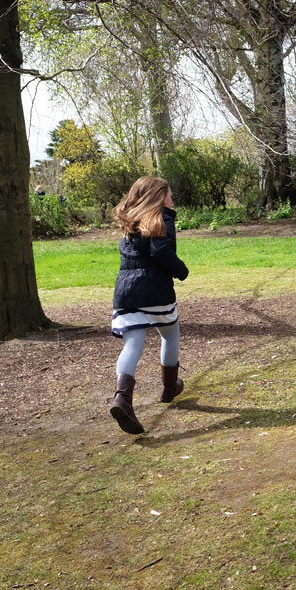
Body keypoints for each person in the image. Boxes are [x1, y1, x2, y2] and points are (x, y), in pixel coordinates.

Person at [109, 176, 189, 434]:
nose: (172, 200)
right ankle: (169, 388)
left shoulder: (129, 220)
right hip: (155, 290)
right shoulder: (162, 218)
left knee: (133, 344)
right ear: (160, 197)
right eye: (170, 195)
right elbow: (161, 252)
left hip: (126, 291)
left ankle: (122, 399)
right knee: (170, 334)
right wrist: (181, 270)